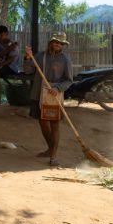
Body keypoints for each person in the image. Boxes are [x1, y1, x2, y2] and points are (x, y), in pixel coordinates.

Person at [23, 32, 73, 166]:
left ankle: (53, 155)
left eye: (61, 43)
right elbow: (27, 71)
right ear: (51, 42)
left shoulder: (65, 60)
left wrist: (57, 88)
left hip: (54, 97)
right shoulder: (39, 56)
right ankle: (50, 149)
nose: (58, 45)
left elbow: (69, 80)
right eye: (56, 42)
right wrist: (28, 58)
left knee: (54, 125)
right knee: (43, 123)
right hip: (38, 95)